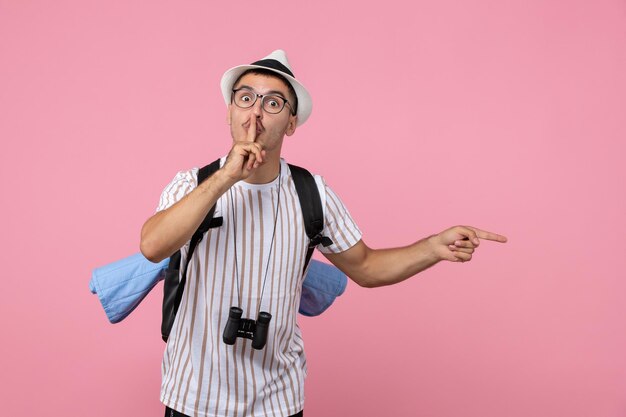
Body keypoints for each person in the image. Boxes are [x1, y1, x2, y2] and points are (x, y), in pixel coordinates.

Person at [140, 50, 507, 417]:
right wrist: (225, 178)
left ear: (291, 122)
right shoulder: (193, 183)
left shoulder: (311, 194)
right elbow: (152, 245)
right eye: (246, 97)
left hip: (276, 401)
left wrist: (432, 248)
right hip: (194, 396)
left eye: (272, 103)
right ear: (229, 111)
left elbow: (366, 267)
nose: (255, 112)